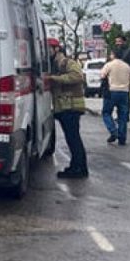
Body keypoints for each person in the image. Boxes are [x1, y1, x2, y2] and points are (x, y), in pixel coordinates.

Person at [48, 38, 88, 178]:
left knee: (73, 139)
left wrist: (55, 79)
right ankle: (77, 167)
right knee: (72, 139)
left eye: (49, 49)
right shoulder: (54, 64)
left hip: (71, 107)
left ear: (56, 49)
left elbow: (78, 76)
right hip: (63, 108)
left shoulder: (67, 62)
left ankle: (78, 168)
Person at [100, 50, 130, 146]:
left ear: (113, 55)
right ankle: (122, 138)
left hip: (112, 91)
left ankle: (113, 131)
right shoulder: (127, 66)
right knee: (122, 116)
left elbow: (102, 75)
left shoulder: (109, 65)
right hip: (124, 93)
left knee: (106, 112)